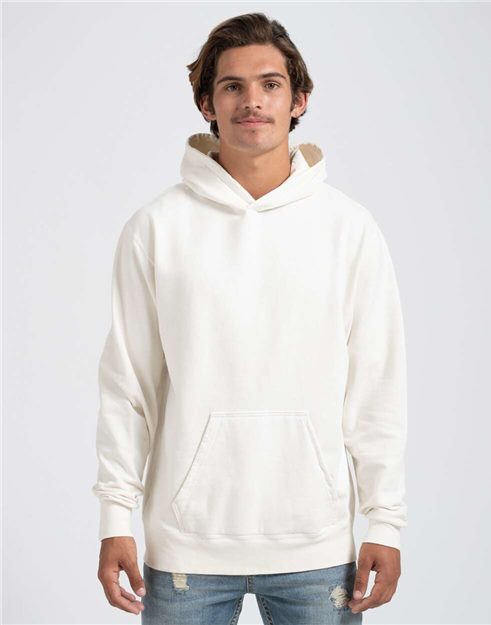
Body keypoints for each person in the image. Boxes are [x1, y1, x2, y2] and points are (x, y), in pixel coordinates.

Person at [92, 12, 408, 625]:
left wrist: (385, 522)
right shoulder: (156, 229)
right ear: (207, 104)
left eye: (270, 84)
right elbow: (128, 384)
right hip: (185, 546)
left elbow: (377, 385)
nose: (252, 101)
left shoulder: (348, 229)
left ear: (299, 100)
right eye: (232, 86)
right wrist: (114, 517)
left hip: (317, 546)